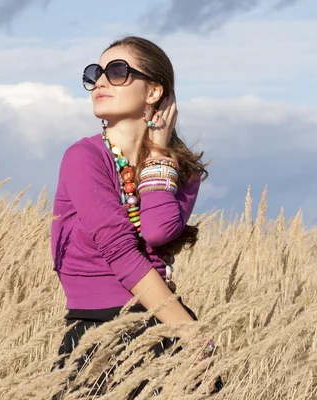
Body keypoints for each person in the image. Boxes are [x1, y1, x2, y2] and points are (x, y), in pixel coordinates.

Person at [50, 36, 222, 398]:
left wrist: (159, 154)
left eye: (117, 72)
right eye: (95, 73)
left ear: (154, 91)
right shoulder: (84, 158)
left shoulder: (183, 170)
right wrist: (190, 333)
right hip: (96, 335)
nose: (99, 82)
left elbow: (159, 233)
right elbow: (121, 251)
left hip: (160, 326)